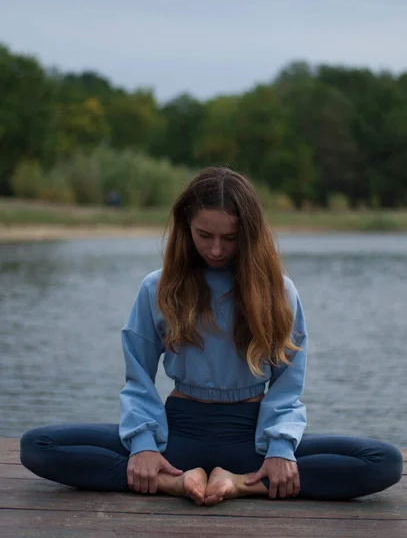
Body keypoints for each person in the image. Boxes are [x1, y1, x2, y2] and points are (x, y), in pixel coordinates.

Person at [20, 167, 403, 505]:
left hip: (252, 439)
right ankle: (172, 481)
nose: (216, 249)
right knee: (39, 446)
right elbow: (138, 378)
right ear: (186, 225)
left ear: (250, 234)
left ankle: (238, 485)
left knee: (383, 462)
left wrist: (281, 448)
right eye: (204, 235)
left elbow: (288, 384)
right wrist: (144, 446)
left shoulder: (279, 291)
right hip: (177, 433)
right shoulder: (157, 288)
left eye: (230, 238)